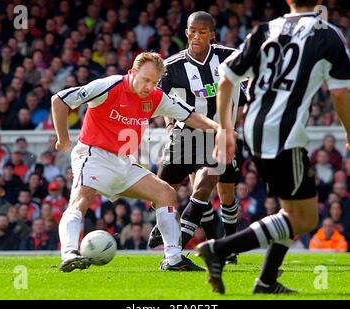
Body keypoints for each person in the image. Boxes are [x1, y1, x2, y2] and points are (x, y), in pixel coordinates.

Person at [197, 0, 350, 294]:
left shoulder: (266, 29)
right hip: (285, 134)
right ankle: (219, 248)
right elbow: (341, 94)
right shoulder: (326, 33)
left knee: (290, 211)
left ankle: (266, 280)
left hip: (255, 128)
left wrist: (226, 131)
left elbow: (227, 74)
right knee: (304, 218)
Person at [51, 52, 218, 272]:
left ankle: (173, 259)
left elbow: (190, 116)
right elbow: (60, 100)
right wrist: (63, 139)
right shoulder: (109, 86)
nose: (149, 86)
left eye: (155, 82)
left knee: (166, 194)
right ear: (133, 71)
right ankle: (70, 253)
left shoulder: (156, 97)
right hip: (94, 155)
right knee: (82, 199)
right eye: (146, 79)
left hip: (124, 163)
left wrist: (220, 129)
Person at [147, 11, 246, 265]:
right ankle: (181, 234)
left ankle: (217, 246)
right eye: (193, 31)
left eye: (203, 32)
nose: (197, 36)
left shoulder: (230, 58)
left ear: (212, 35)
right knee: (160, 192)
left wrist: (233, 125)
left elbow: (245, 98)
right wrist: (170, 127)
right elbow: (162, 102)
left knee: (221, 191)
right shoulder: (171, 66)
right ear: (187, 32)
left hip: (219, 134)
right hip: (185, 134)